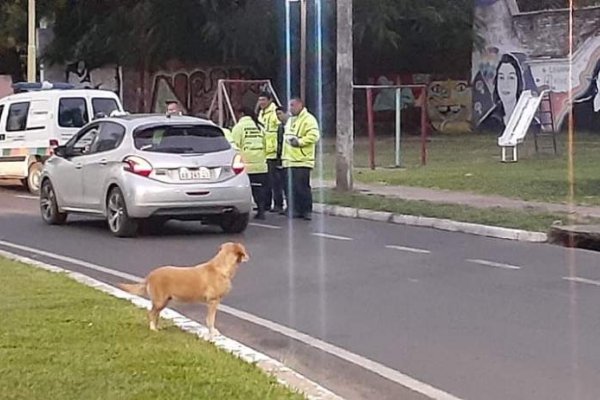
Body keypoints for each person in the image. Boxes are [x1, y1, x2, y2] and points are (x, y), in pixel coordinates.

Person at [281, 97, 320, 221]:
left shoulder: (309, 119)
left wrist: (299, 142)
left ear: (300, 105)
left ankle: (306, 210)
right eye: (290, 106)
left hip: (302, 160)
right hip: (289, 160)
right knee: (290, 187)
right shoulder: (291, 120)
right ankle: (295, 209)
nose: (290, 108)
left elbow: (314, 136)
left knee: (301, 187)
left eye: (293, 105)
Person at [231, 107, 268, 220]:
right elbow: (266, 143)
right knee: (260, 188)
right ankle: (262, 210)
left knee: (246, 188)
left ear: (241, 114)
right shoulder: (259, 126)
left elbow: (235, 145)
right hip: (261, 163)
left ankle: (243, 212)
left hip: (246, 163)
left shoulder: (239, 127)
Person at [257, 92, 281, 211]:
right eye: (260, 100)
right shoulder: (261, 113)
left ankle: (278, 204)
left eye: (263, 100)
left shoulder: (275, 113)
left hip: (273, 151)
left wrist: (277, 149)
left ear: (270, 100)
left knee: (275, 181)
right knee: (265, 180)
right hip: (263, 151)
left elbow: (280, 130)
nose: (261, 102)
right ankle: (266, 204)